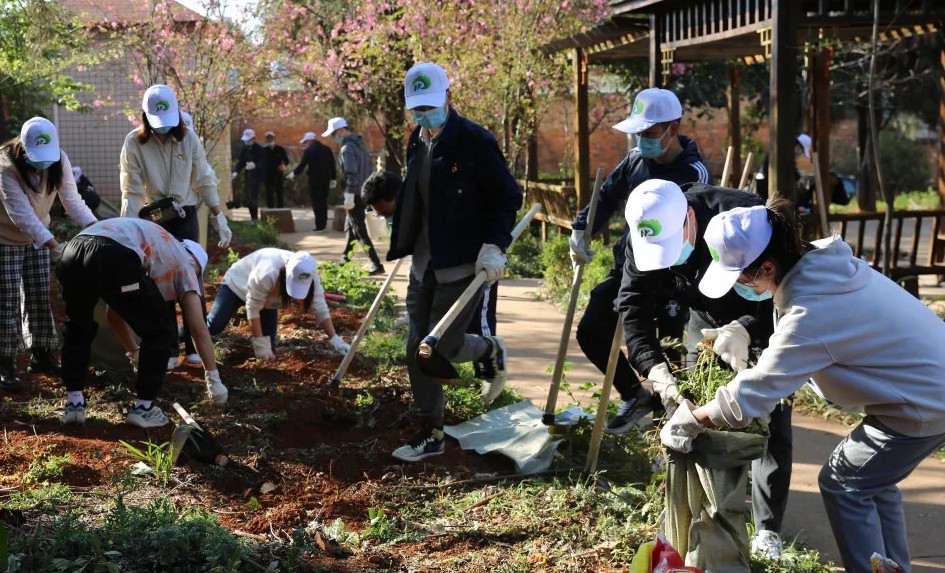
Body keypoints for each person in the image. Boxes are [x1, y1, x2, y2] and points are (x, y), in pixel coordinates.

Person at [661, 202, 945, 573]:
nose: (744, 288)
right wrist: (746, 329)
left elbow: (753, 395)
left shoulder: (814, 308)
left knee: (843, 483)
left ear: (767, 267)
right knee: (873, 482)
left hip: (924, 403)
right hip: (925, 387)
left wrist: (692, 418)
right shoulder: (822, 267)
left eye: (744, 280)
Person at [616, 179, 790, 558]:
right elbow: (633, 306)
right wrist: (654, 371)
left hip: (760, 307)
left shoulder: (744, 217)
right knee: (696, 413)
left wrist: (746, 328)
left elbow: (782, 284)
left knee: (769, 417)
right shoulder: (642, 235)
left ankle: (767, 529)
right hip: (704, 315)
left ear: (690, 218)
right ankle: (704, 520)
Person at [386, 62, 522, 462]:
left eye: (430, 106)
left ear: (448, 97)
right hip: (424, 262)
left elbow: (507, 196)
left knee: (443, 345)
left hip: (462, 263)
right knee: (417, 348)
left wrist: (494, 244)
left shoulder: (475, 142)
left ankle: (486, 351)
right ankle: (432, 431)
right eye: (417, 110)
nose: (424, 116)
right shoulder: (417, 141)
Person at [568, 87, 711, 435]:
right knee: (591, 330)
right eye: (639, 132)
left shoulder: (693, 173)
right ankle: (634, 394)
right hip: (631, 265)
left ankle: (673, 427)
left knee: (669, 352)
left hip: (673, 275)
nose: (642, 139)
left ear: (672, 128)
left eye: (649, 132)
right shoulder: (634, 159)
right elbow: (607, 195)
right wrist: (581, 228)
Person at [57, 218, 228, 428]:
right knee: (161, 332)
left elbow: (114, 314)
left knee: (78, 327)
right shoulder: (186, 262)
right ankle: (144, 409)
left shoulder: (160, 247)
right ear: (197, 265)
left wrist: (134, 352)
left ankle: (74, 405)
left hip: (73, 250)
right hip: (112, 252)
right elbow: (198, 329)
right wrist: (213, 377)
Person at [120, 84, 233, 369]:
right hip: (153, 218)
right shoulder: (134, 143)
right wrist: (127, 231)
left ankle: (195, 347)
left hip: (186, 215)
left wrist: (219, 214)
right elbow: (131, 191)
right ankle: (169, 348)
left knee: (191, 278)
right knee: (161, 283)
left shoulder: (188, 139)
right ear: (145, 116)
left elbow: (204, 177)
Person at [0, 117, 98, 390]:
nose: (44, 163)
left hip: (38, 237)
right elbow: (21, 216)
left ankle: (41, 354)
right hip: (5, 237)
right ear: (24, 148)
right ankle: (5, 362)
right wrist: (55, 246)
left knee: (39, 295)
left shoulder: (59, 160)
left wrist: (97, 229)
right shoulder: (6, 166)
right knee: (6, 299)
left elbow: (73, 201)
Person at [362, 170, 500, 362]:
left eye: (387, 213)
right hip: (432, 276)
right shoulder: (412, 207)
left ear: (399, 197)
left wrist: (493, 247)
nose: (387, 219)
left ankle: (491, 357)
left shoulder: (437, 202)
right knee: (430, 342)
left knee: (460, 336)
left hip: (470, 268)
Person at [204, 248, 350, 358]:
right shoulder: (268, 272)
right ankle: (183, 334)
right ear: (286, 274)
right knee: (214, 324)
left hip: (269, 301)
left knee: (270, 353)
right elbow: (253, 307)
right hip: (236, 284)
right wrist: (259, 342)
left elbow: (320, 307)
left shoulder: (310, 276)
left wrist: (334, 338)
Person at [322, 117, 384, 275]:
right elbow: (368, 170)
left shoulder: (346, 149)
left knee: (360, 230)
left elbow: (351, 173)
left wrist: (349, 193)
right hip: (362, 191)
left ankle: (376, 264)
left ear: (342, 131)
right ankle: (344, 260)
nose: (333, 138)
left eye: (334, 134)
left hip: (354, 194)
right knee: (350, 228)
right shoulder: (360, 145)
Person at [289, 131, 336, 232]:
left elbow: (302, 165)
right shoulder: (327, 149)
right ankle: (323, 224)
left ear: (310, 140)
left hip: (314, 179)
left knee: (316, 202)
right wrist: (333, 178)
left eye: (306, 141)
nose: (306, 143)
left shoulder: (309, 150)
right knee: (323, 201)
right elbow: (332, 164)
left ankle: (319, 226)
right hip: (326, 179)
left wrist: (293, 173)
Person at [232, 128, 265, 223]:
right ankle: (252, 217)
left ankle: (255, 218)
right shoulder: (245, 149)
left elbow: (263, 162)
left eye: (248, 140)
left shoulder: (259, 149)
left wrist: (255, 165)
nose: (247, 142)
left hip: (256, 177)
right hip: (248, 176)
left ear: (253, 138)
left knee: (253, 197)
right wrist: (236, 171)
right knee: (248, 197)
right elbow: (241, 161)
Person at [260, 131, 289, 209]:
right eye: (268, 137)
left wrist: (283, 165)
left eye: (271, 137)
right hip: (268, 174)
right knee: (269, 192)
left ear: (273, 138)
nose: (270, 138)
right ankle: (271, 208)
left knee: (279, 191)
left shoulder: (280, 149)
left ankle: (280, 208)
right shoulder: (263, 150)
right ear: (266, 139)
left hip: (278, 174)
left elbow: (286, 160)